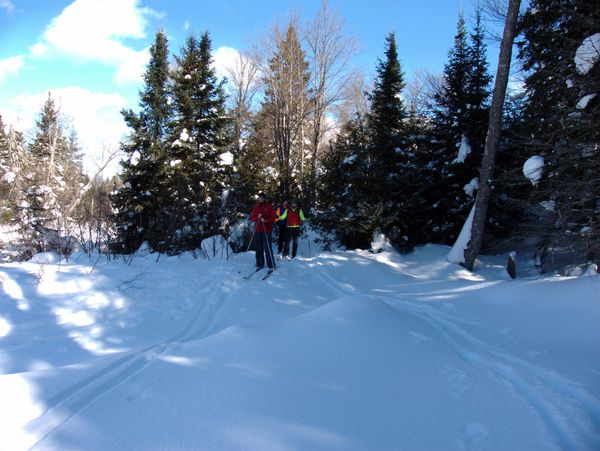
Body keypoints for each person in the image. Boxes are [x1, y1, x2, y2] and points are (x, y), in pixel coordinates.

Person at [250, 192, 276, 271]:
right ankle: (260, 263)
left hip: (266, 230)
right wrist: (257, 217)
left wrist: (266, 220)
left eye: (262, 197)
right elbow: (252, 217)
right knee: (258, 248)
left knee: (267, 248)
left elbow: (273, 218)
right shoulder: (256, 207)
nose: (261, 199)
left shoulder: (269, 206)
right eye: (260, 197)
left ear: (265, 198)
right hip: (257, 230)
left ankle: (271, 265)